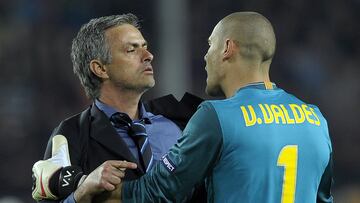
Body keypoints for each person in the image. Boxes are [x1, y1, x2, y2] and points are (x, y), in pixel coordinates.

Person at [118, 11, 334, 202]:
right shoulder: (316, 120)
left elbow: (155, 192)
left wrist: (89, 188)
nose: (205, 56)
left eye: (211, 45)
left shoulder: (217, 117)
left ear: (228, 48)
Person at [31, 13, 204, 202]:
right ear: (100, 69)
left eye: (145, 47)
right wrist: (83, 190)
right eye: (132, 50)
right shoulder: (70, 134)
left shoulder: (184, 121)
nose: (148, 56)